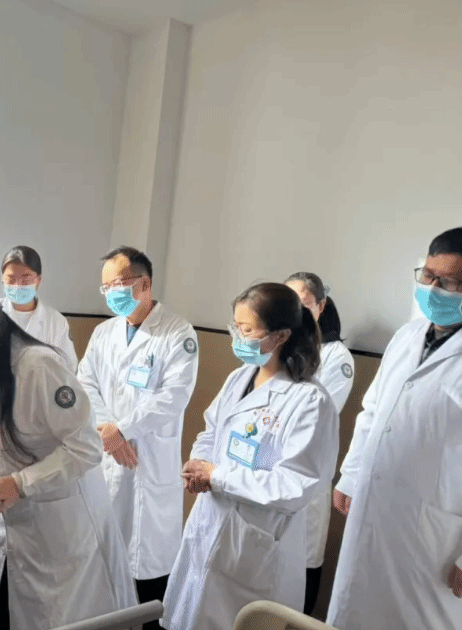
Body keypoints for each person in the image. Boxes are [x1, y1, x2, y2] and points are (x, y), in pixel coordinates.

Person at [0, 277, 136, 630]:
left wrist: (21, 483)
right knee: (18, 609)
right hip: (20, 521)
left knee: (65, 618)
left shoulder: (39, 368)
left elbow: (85, 447)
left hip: (65, 524)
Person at [162, 283, 339, 630]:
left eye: (246, 330)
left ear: (281, 335)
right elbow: (211, 430)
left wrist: (217, 476)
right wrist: (198, 465)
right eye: (235, 327)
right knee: (189, 613)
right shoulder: (240, 378)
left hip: (255, 543)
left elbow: (294, 485)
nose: (237, 337)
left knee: (239, 620)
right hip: (211, 520)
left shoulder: (309, 402)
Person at [327, 227, 462, 630]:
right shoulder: (407, 336)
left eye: (449, 282)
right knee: (355, 608)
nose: (433, 289)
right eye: (428, 276)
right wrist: (351, 474)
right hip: (376, 507)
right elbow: (372, 411)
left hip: (437, 535)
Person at [77, 246, 198, 625]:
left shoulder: (178, 333)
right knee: (102, 569)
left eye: (118, 284)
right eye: (106, 287)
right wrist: (108, 431)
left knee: (146, 573)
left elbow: (174, 396)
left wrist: (123, 429)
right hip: (106, 456)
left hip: (148, 463)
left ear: (144, 284)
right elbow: (85, 384)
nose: (111, 293)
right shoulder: (104, 332)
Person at [284, 271, 354, 615]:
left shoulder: (337, 358)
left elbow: (313, 419)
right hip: (270, 476)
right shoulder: (277, 347)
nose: (294, 310)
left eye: (302, 303)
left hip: (305, 478)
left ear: (321, 306)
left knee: (303, 566)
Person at [0, 245, 78, 372]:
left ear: (38, 280)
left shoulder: (56, 322)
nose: (18, 285)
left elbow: (68, 367)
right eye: (11, 279)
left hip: (41, 384)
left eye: (25, 279)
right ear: (2, 279)